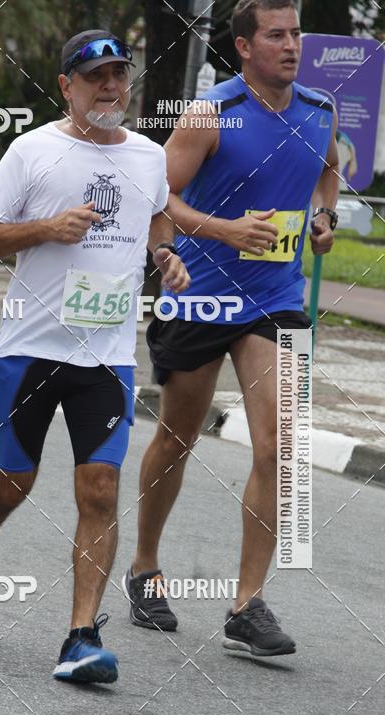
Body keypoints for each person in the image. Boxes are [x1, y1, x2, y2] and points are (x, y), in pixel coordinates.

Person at [0, 30, 190, 684]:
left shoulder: (147, 156)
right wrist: (45, 229)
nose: (109, 87)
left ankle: (82, 634)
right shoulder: (33, 152)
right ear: (66, 87)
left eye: (118, 74)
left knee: (101, 489)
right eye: (94, 77)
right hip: (30, 349)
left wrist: (166, 255)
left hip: (108, 356)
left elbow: (160, 215)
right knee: (12, 484)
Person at [123, 0, 339, 656]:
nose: (291, 45)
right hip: (200, 296)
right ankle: (143, 567)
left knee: (280, 443)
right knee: (177, 436)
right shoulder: (210, 112)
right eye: (276, 35)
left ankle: (247, 602)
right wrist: (223, 230)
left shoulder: (318, 111)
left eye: (295, 33)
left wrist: (326, 218)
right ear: (244, 47)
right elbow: (158, 194)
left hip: (277, 298)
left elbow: (330, 171)